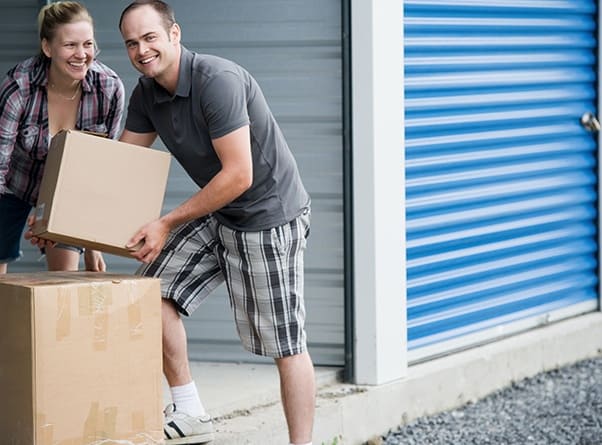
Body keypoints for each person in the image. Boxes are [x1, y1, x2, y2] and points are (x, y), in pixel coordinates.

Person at [118, 1, 315, 444]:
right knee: (151, 292)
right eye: (131, 43)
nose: (141, 50)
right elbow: (121, 163)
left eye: (150, 37)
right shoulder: (146, 93)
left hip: (268, 215)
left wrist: (166, 222)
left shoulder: (216, 81)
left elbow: (239, 175)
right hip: (219, 211)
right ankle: (190, 412)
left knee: (285, 343)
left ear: (174, 34)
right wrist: (70, 226)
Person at [0, 1, 125, 273]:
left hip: (67, 190)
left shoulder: (109, 88)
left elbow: (100, 167)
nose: (82, 54)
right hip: (12, 185)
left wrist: (93, 245)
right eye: (70, 45)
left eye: (88, 44)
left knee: (64, 278)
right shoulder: (19, 86)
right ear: (48, 48)